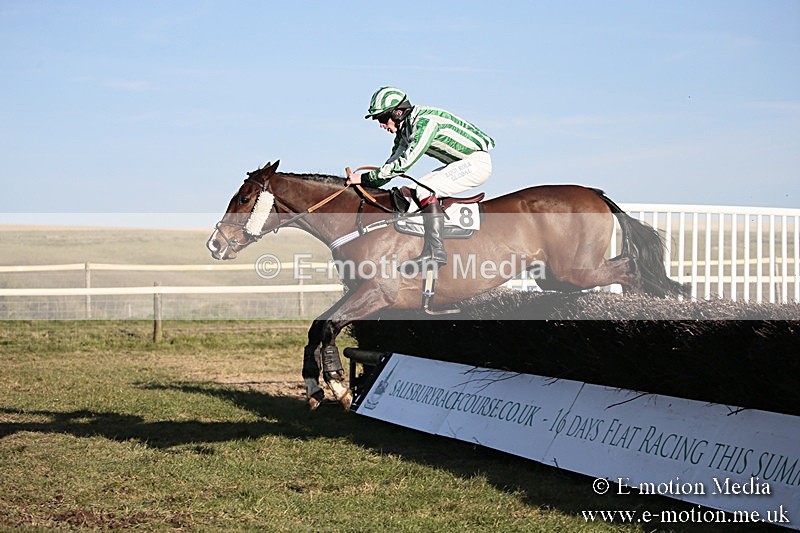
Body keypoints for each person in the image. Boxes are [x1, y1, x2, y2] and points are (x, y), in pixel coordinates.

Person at [347, 87, 495, 274]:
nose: (381, 125)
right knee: (410, 190)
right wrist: (365, 183)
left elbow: (404, 163)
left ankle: (435, 251)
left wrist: (364, 177)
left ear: (398, 112)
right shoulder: (404, 130)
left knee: (425, 191)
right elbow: (391, 164)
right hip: (462, 163)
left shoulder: (424, 122)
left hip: (476, 163)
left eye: (383, 119)